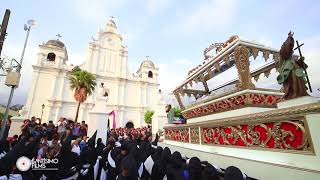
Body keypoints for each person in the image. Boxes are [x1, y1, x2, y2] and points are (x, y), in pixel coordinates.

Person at [277, 31, 309, 100]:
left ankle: (298, 93)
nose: (290, 47)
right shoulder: (284, 54)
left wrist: (300, 61)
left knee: (297, 79)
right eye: (290, 46)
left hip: (293, 67)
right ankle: (293, 93)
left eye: (291, 46)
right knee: (292, 79)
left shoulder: (291, 57)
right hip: (288, 68)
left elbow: (289, 46)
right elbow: (286, 47)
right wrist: (290, 37)